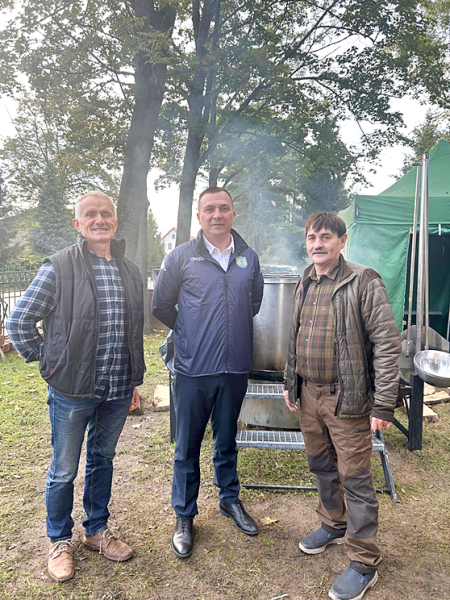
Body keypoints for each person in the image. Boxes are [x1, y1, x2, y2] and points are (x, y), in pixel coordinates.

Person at [6, 191, 145, 582]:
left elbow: (132, 332)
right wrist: (50, 364)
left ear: (115, 221)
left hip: (117, 390)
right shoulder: (59, 268)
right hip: (71, 391)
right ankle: (59, 540)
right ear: (78, 224)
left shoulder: (129, 270)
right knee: (64, 469)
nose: (100, 220)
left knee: (103, 459)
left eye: (106, 214)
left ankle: (96, 531)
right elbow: (18, 324)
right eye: (91, 215)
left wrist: (133, 380)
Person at [283, 212, 401, 600]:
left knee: (355, 477)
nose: (318, 243)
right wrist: (292, 382)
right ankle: (333, 524)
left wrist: (383, 404)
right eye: (312, 237)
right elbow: (295, 334)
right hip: (310, 394)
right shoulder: (305, 278)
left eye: (326, 237)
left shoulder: (363, 281)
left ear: (342, 240)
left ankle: (364, 561)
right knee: (320, 464)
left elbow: (386, 344)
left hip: (347, 397)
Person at [152, 186, 264, 559]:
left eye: (224, 208)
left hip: (234, 368)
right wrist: (190, 333)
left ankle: (229, 500)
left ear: (234, 214)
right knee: (187, 446)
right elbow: (162, 305)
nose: (217, 214)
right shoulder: (181, 257)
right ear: (200, 217)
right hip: (192, 369)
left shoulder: (248, 257)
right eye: (209, 209)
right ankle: (184, 515)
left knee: (227, 438)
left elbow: (253, 303)